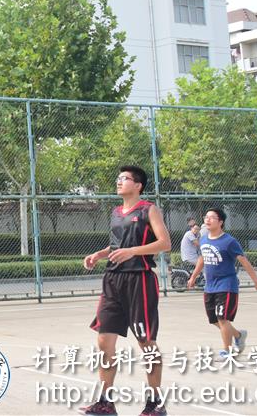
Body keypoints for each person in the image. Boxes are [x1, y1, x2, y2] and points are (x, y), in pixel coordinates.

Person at [81, 166, 172, 416]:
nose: (119, 181)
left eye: (125, 178)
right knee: (104, 340)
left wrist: (132, 252)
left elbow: (165, 243)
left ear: (138, 185)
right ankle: (105, 402)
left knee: (146, 342)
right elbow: (116, 245)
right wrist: (99, 255)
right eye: (118, 178)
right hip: (113, 279)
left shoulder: (148, 209)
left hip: (139, 280)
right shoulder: (115, 212)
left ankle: (155, 402)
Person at [188, 208, 257, 357]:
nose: (207, 220)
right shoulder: (203, 239)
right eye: (206, 217)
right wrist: (193, 277)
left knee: (222, 318)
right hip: (210, 286)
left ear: (221, 222)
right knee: (214, 320)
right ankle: (238, 335)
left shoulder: (229, 241)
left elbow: (244, 261)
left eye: (212, 217)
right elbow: (202, 258)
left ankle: (227, 350)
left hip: (227, 285)